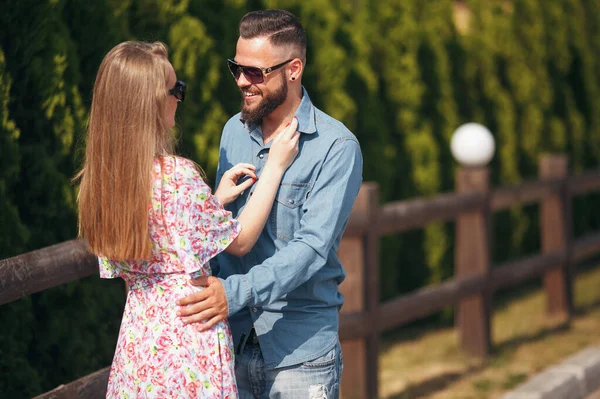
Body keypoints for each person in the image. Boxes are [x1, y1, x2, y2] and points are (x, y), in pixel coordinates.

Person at [75, 40, 299, 398]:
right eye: (175, 89)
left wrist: (212, 203)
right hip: (187, 343)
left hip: (138, 346)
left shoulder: (101, 184)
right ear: (150, 101)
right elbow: (240, 242)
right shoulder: (177, 177)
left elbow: (157, 239)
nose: (179, 98)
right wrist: (275, 166)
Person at [176, 9, 363, 399]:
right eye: (236, 68)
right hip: (230, 342)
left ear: (294, 68)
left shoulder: (336, 147)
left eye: (256, 72)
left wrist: (234, 294)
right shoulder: (232, 131)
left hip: (299, 351)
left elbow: (311, 249)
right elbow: (223, 233)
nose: (242, 81)